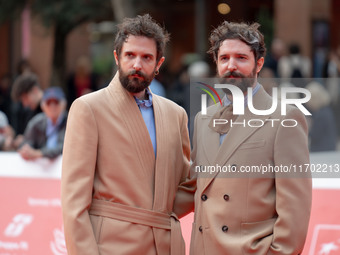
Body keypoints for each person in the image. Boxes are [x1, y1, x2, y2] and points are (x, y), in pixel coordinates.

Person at [61, 14, 190, 255]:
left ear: (159, 63)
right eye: (130, 55)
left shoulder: (176, 114)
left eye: (146, 57)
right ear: (116, 57)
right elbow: (74, 204)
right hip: (110, 247)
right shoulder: (88, 108)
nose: (137, 65)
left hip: (165, 245)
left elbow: (183, 187)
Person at [186, 21, 312, 255]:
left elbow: (295, 208)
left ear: (259, 63)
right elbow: (197, 186)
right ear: (216, 63)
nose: (231, 65)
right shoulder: (202, 118)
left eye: (241, 58)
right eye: (224, 58)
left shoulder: (286, 117)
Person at [18, 86, 67, 160]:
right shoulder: (37, 122)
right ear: (43, 106)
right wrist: (26, 150)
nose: (52, 106)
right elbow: (26, 141)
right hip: (39, 168)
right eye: (48, 102)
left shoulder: (70, 122)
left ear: (63, 104)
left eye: (56, 102)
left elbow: (65, 147)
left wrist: (39, 153)